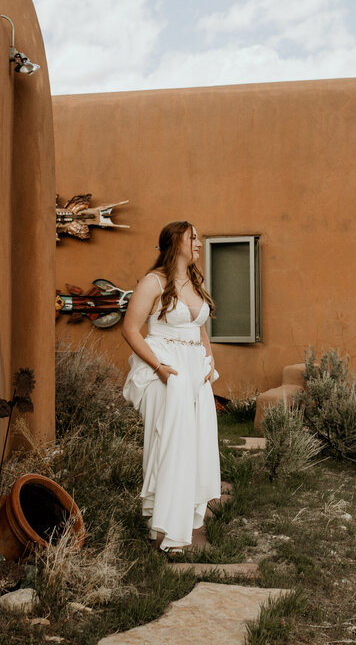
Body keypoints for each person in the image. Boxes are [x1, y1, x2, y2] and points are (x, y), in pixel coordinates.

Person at [121, 221, 222, 552]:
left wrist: (209, 364)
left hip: (196, 374)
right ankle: (165, 525)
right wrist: (159, 368)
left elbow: (200, 329)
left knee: (196, 445)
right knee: (171, 445)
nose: (199, 243)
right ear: (175, 242)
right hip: (168, 372)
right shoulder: (153, 282)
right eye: (193, 237)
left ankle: (188, 519)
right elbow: (131, 330)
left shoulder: (195, 282)